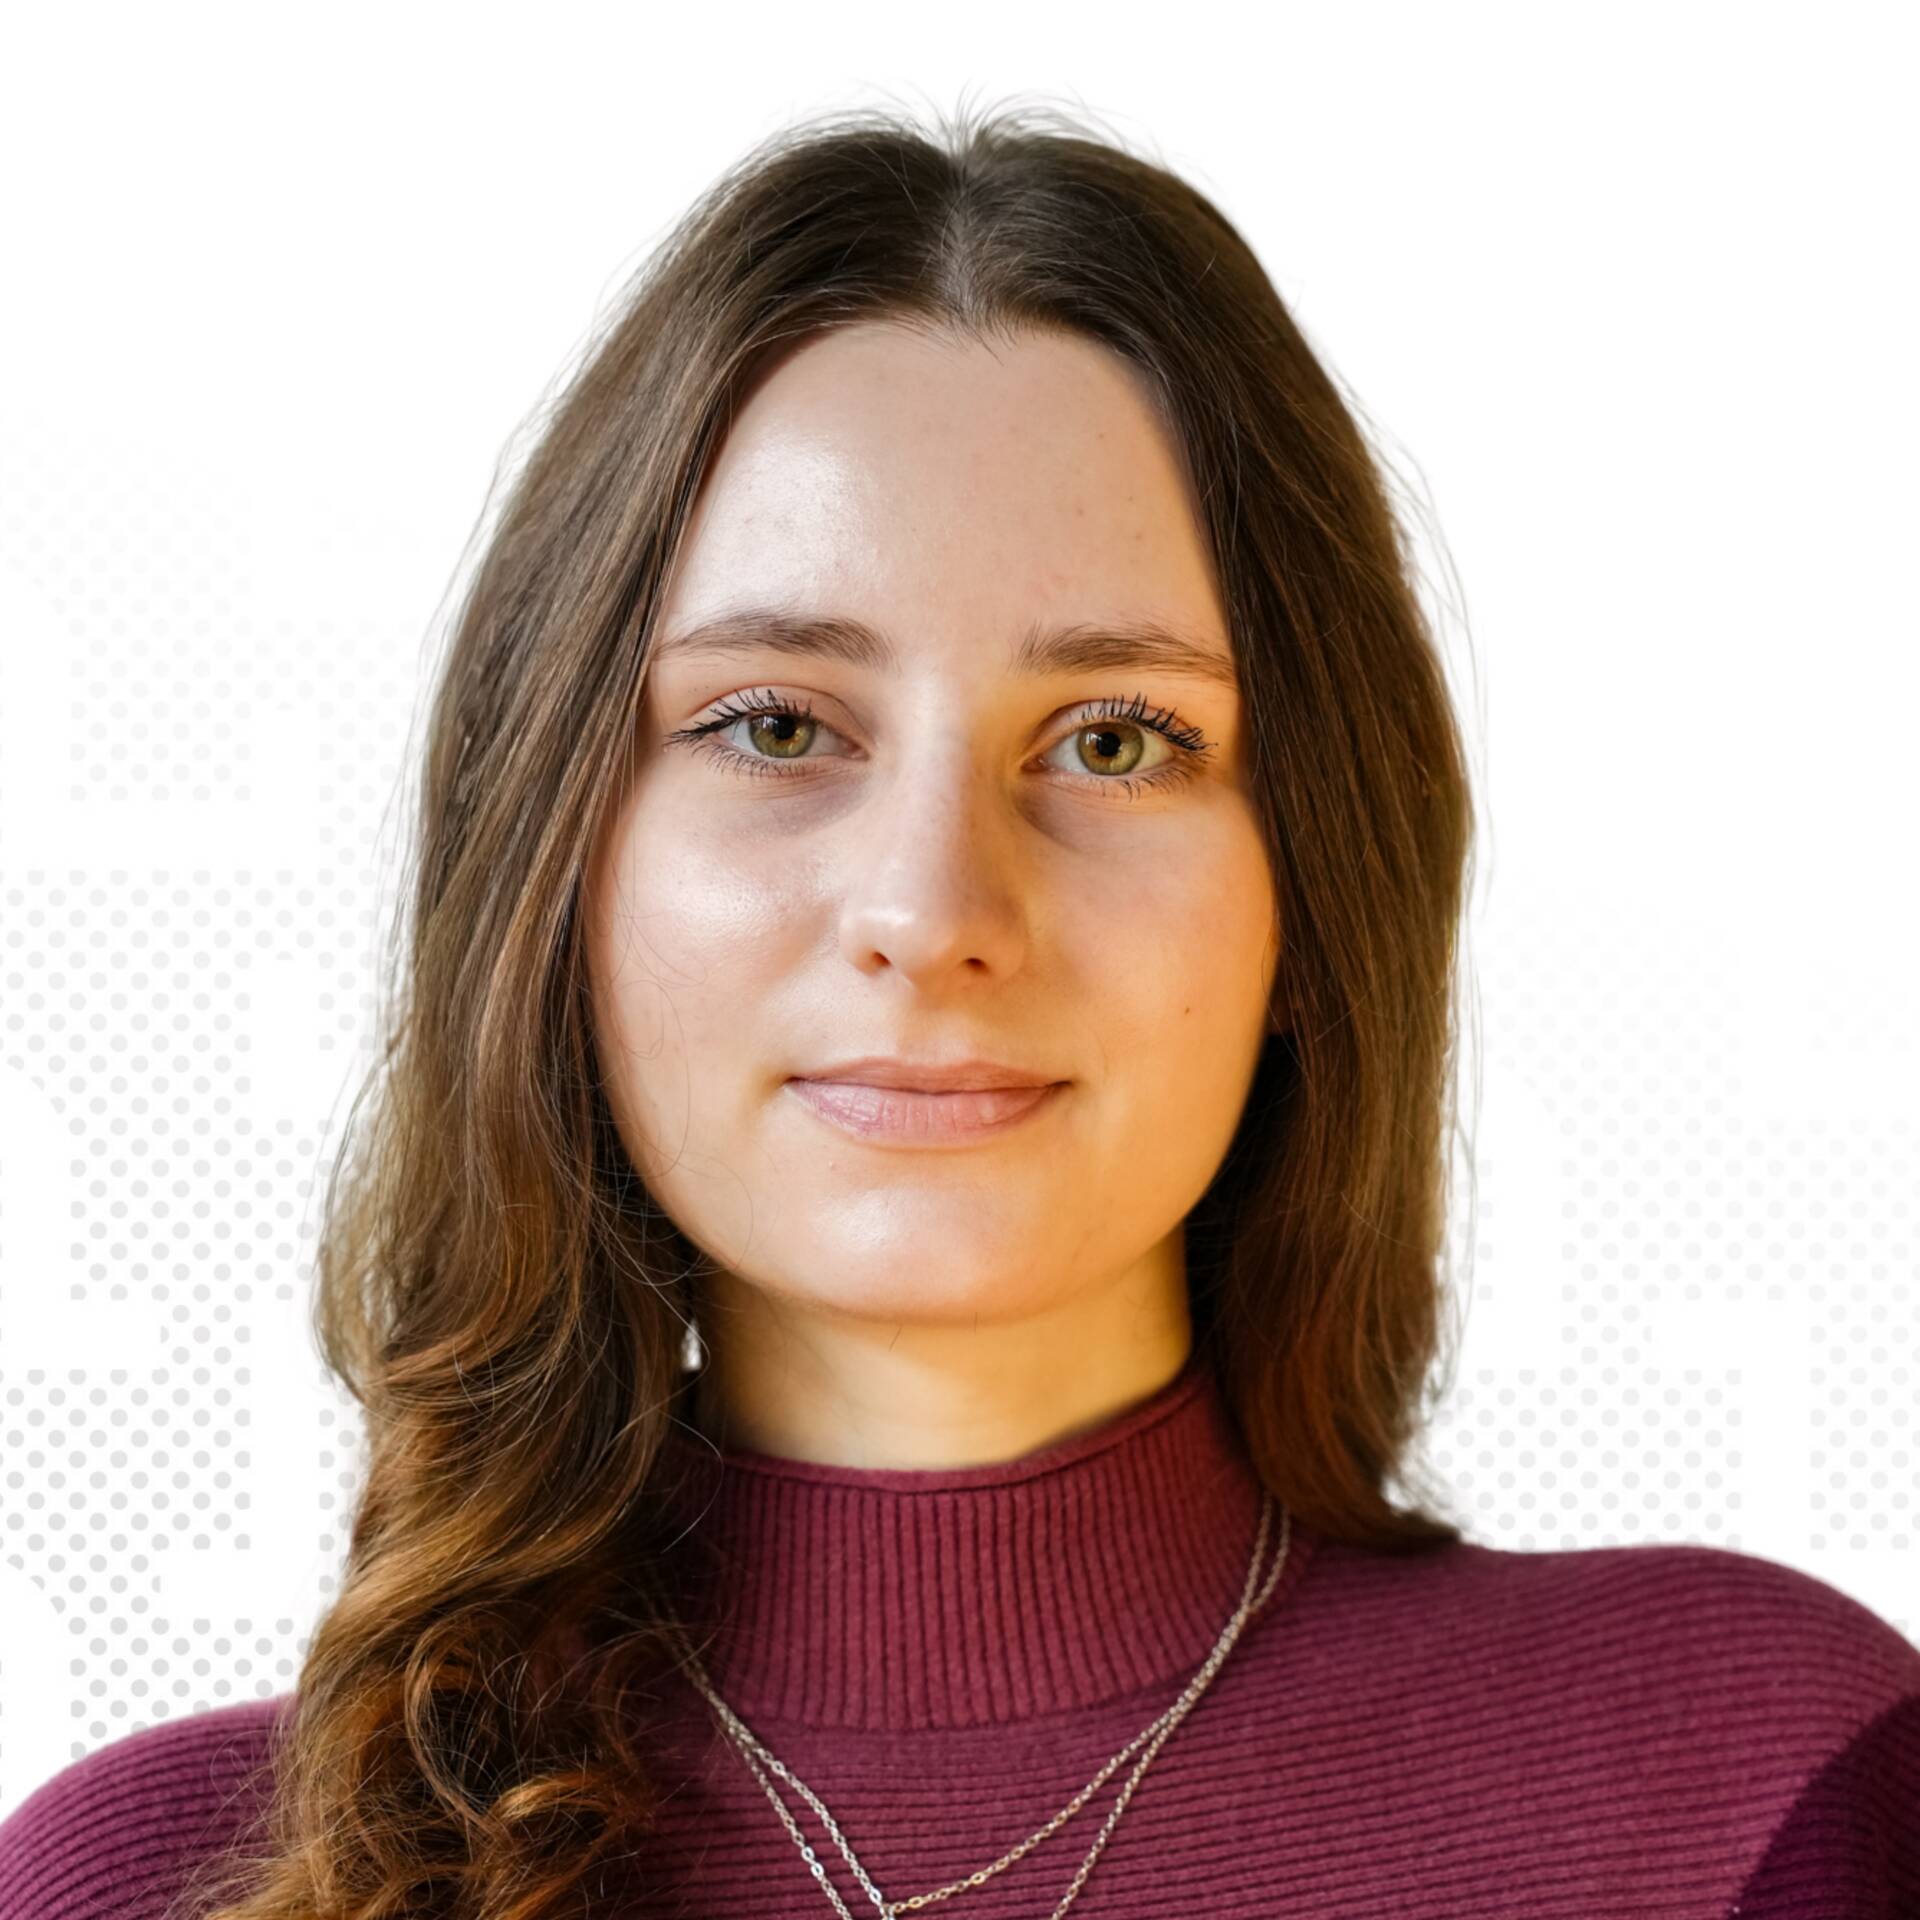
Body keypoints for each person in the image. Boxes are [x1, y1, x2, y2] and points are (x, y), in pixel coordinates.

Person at [3, 96, 1915, 1920]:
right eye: (772, 725)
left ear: (1316, 897)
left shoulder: (1760, 1797)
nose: (933, 910)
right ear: (552, 874)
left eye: (1116, 738)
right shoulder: (151, 1882)